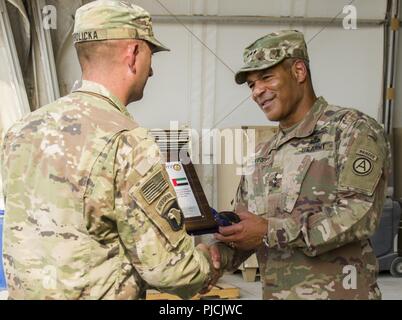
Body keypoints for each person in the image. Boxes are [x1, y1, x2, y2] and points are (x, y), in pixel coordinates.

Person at [0, 0, 219, 300]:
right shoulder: (128, 141)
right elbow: (170, 271)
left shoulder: (20, 131)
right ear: (133, 54)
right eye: (150, 55)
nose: (152, 71)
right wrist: (211, 259)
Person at [211, 30, 391, 300]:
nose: (257, 91)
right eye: (251, 85)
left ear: (298, 71)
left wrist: (271, 230)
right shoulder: (262, 154)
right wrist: (212, 258)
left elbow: (360, 215)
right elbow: (246, 229)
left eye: (266, 78)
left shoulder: (352, 130)